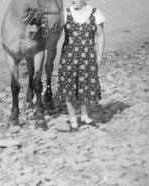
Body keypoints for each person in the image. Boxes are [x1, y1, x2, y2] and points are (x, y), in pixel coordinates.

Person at [58, 0, 105, 129]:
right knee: (69, 87)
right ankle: (72, 118)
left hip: (88, 57)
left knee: (86, 87)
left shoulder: (96, 13)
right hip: (68, 57)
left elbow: (100, 35)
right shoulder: (65, 14)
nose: (72, 0)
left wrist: (99, 55)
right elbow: (54, 30)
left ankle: (85, 116)